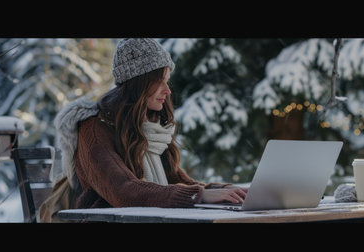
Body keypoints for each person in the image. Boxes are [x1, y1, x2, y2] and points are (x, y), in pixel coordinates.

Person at [47, 38, 247, 213]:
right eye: (160, 81)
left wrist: (226, 191)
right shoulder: (93, 128)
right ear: (139, 83)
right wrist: (200, 195)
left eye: (167, 81)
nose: (167, 90)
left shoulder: (150, 125)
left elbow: (176, 181)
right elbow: (123, 190)